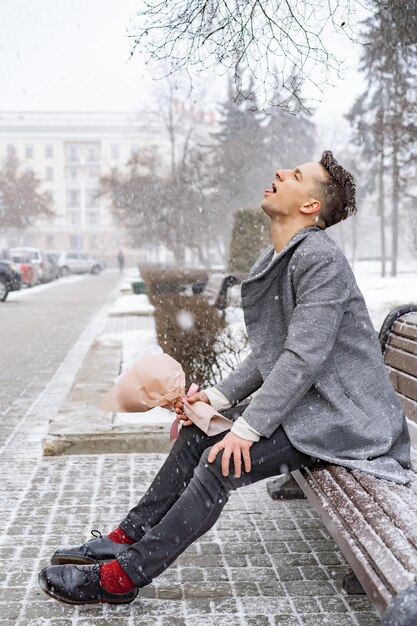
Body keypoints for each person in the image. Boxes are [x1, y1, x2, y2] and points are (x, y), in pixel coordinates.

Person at [38, 150, 412, 606]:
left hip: (349, 422)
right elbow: (270, 355)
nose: (278, 173)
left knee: (220, 462)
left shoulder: (321, 260)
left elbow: (301, 358)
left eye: (295, 175)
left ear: (310, 206)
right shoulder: (283, 255)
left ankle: (123, 577)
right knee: (200, 431)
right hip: (316, 407)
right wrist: (214, 400)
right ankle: (126, 535)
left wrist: (247, 428)